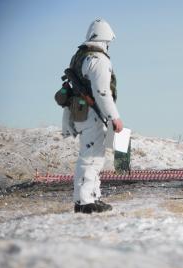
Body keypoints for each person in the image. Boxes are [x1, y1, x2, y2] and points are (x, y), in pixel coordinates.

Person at [62, 19, 123, 213]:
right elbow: (102, 92)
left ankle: (92, 197)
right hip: (92, 114)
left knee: (94, 157)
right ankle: (85, 201)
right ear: (105, 39)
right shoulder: (98, 60)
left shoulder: (80, 56)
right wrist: (115, 117)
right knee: (91, 158)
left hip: (81, 112)